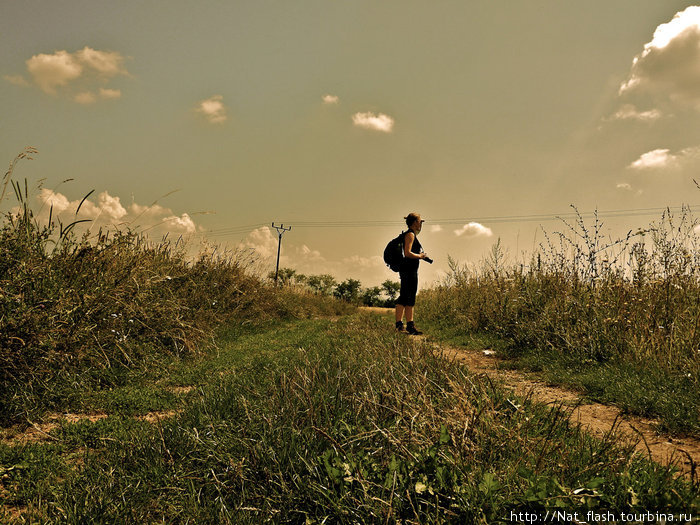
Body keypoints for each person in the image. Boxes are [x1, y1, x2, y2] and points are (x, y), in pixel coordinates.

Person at [395, 212, 428, 335]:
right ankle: (402, 325)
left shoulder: (410, 234)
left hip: (409, 270)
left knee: (408, 297)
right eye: (420, 221)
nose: (421, 224)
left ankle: (408, 325)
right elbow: (408, 253)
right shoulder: (410, 235)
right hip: (409, 270)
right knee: (405, 297)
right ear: (415, 223)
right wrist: (420, 256)